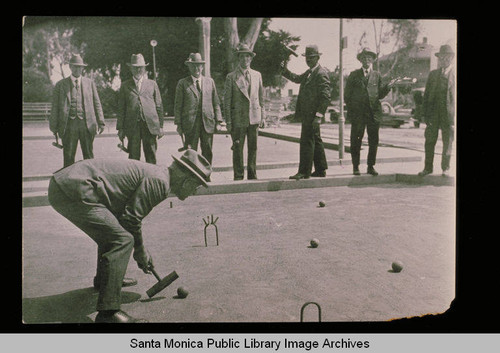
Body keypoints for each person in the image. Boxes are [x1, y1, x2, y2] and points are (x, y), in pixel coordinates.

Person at [48, 149, 212, 323]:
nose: (194, 191)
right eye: (196, 185)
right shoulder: (160, 182)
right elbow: (131, 219)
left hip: (67, 185)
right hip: (73, 189)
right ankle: (108, 313)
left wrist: (141, 248)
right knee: (122, 240)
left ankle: (105, 279)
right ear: (186, 179)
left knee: (113, 231)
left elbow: (123, 219)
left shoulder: (160, 176)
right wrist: (140, 249)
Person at [281, 44, 331, 180]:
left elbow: (326, 97)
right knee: (316, 140)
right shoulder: (310, 72)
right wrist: (284, 70)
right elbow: (297, 79)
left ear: (318, 58)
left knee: (306, 141)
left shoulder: (321, 74)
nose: (308, 60)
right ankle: (321, 169)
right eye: (307, 57)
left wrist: (318, 116)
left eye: (311, 57)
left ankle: (304, 171)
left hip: (313, 115)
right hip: (309, 115)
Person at [344, 48, 396, 176]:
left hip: (373, 114)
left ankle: (370, 166)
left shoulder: (377, 75)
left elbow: (379, 95)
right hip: (359, 115)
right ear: (360, 60)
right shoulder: (353, 75)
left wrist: (388, 87)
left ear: (372, 60)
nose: (366, 60)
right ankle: (355, 167)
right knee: (356, 140)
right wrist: (352, 112)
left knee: (374, 141)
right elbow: (347, 96)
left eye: (369, 58)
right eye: (364, 58)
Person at [49, 53, 105, 167]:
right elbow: (55, 107)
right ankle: (69, 183)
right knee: (69, 156)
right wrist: (54, 127)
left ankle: (91, 181)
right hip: (68, 126)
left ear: (83, 68)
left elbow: (97, 103)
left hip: (87, 125)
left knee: (89, 156)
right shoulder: (61, 85)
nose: (77, 69)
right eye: (74, 66)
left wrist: (101, 122)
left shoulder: (90, 83)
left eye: (79, 66)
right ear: (70, 67)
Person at [174, 53, 223, 170]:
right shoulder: (183, 83)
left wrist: (218, 121)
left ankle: (206, 175)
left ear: (202, 67)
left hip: (207, 123)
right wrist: (179, 124)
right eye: (193, 66)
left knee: (207, 151)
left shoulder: (209, 82)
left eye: (199, 66)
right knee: (191, 153)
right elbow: (178, 106)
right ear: (189, 67)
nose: (196, 69)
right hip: (190, 124)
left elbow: (216, 102)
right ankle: (192, 177)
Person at [223, 44, 265, 180]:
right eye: (242, 56)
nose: (245, 59)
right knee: (237, 148)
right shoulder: (231, 77)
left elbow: (261, 97)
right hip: (238, 119)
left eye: (247, 56)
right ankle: (239, 176)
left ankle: (252, 175)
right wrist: (228, 121)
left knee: (253, 148)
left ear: (251, 59)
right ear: (238, 59)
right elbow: (227, 101)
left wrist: (262, 117)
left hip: (254, 117)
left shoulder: (257, 75)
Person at [117, 54, 164, 164]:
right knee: (133, 156)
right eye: (135, 67)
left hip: (150, 125)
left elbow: (159, 106)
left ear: (144, 68)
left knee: (151, 154)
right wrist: (120, 128)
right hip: (132, 126)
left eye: (140, 67)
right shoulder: (125, 86)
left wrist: (161, 126)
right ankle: (134, 179)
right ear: (131, 69)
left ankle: (152, 178)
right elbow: (121, 109)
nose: (138, 70)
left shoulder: (152, 84)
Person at [418, 44, 456, 177]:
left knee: (448, 141)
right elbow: (426, 96)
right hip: (433, 114)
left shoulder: (455, 75)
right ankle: (428, 168)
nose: (444, 60)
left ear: (452, 58)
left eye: (447, 57)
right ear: (439, 58)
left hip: (449, 114)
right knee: (429, 141)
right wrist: (423, 114)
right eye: (442, 57)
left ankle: (445, 168)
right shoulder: (433, 74)